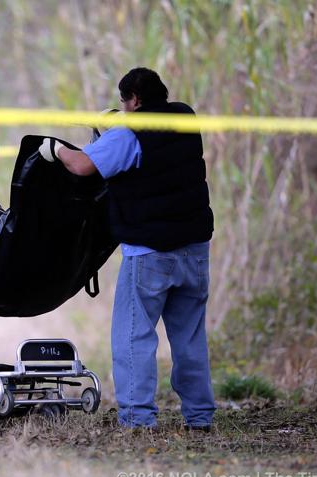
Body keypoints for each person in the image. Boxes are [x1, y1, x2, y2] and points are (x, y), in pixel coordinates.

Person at [38, 68, 216, 430]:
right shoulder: (184, 120)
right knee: (190, 339)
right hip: (195, 249)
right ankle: (199, 417)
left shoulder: (126, 135)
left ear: (133, 98)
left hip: (149, 254)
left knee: (133, 337)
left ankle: (137, 419)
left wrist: (54, 148)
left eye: (124, 102)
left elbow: (83, 165)